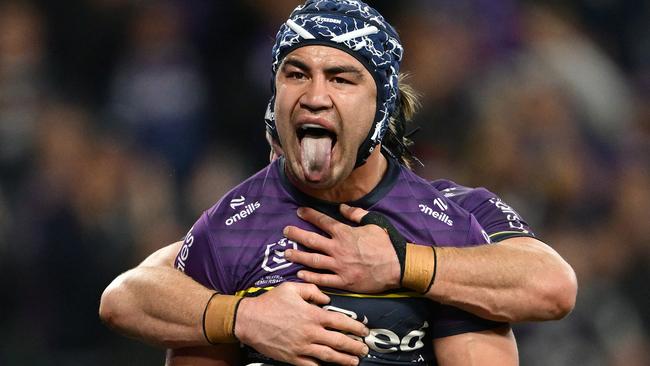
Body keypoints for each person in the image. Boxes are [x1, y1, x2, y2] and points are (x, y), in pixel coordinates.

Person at [100, 1, 577, 365]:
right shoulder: (233, 222)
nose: (314, 96)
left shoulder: (456, 219)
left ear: (381, 109)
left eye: (341, 79)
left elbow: (552, 286)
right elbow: (125, 296)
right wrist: (243, 318)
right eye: (296, 74)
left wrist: (401, 265)